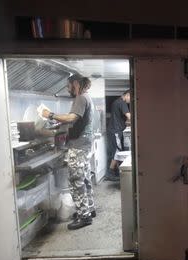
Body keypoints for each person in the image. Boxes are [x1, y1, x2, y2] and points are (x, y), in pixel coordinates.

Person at [42, 74, 95, 230]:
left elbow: (71, 118)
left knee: (75, 181)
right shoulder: (86, 97)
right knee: (84, 179)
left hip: (78, 146)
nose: (67, 89)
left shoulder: (80, 98)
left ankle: (84, 216)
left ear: (76, 84)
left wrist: (50, 115)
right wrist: (59, 123)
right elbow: (75, 120)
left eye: (68, 85)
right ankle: (89, 210)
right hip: (84, 145)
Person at [106, 90, 131, 181]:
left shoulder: (116, 102)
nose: (130, 100)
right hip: (116, 131)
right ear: (127, 95)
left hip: (114, 130)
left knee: (116, 150)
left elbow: (120, 118)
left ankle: (116, 171)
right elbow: (129, 116)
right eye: (130, 98)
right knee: (117, 151)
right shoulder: (122, 103)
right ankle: (110, 173)